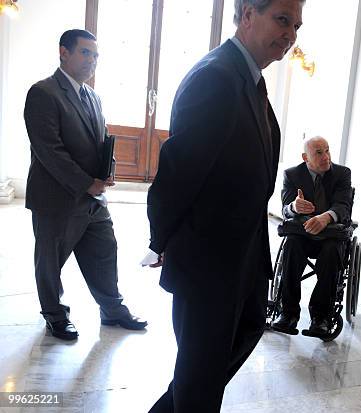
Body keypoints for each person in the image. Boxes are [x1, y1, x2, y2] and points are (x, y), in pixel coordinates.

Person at [146, 0, 304, 410]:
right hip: (208, 258)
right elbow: (177, 175)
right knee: (201, 374)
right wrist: (162, 239)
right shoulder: (216, 77)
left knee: (240, 337)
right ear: (249, 15)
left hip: (243, 253)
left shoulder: (250, 77)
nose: (290, 35)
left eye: (297, 26)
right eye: (282, 20)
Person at [23, 29, 147, 341]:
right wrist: (85, 183)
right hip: (57, 198)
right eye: (85, 52)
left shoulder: (93, 96)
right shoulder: (43, 92)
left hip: (93, 197)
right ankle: (54, 314)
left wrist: (108, 171)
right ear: (63, 52)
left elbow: (103, 140)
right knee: (51, 262)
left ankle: (112, 310)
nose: (92, 60)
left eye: (95, 55)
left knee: (105, 251)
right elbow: (48, 150)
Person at [271, 136, 352, 336]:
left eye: (327, 150)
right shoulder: (292, 174)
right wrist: (294, 206)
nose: (326, 157)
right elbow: (286, 209)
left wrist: (326, 217)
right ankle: (288, 313)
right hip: (302, 234)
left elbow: (343, 204)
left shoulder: (342, 173)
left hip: (331, 235)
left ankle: (321, 316)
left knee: (332, 251)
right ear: (305, 157)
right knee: (291, 245)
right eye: (319, 152)